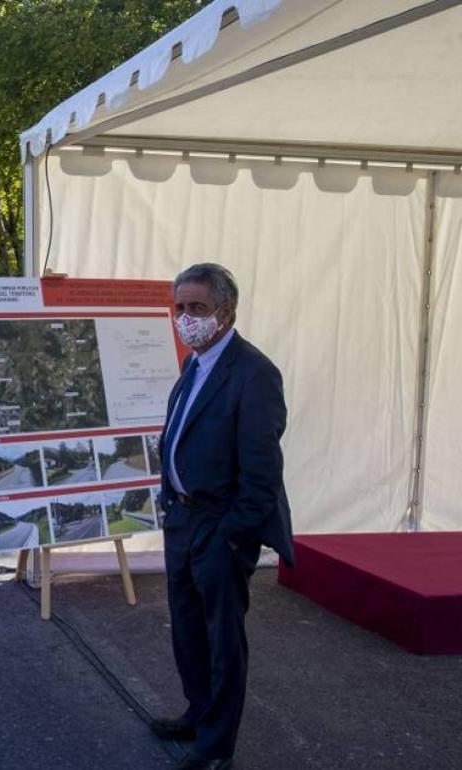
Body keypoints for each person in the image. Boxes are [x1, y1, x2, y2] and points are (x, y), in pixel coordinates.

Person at [151, 263, 295, 770]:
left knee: (221, 640)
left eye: (197, 308)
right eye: (180, 308)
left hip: (220, 527)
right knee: (187, 629)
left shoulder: (254, 373)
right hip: (184, 521)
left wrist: (235, 536)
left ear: (226, 310)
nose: (185, 318)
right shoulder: (196, 362)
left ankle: (216, 750)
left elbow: (262, 474)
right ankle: (199, 713)